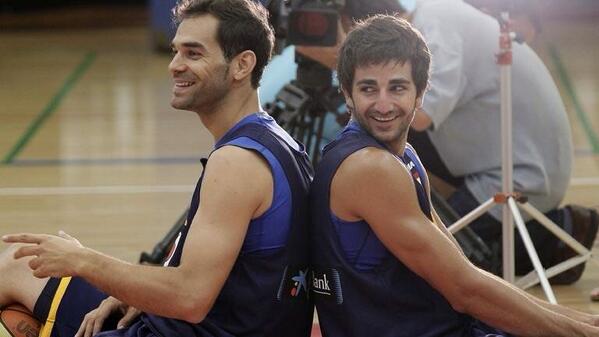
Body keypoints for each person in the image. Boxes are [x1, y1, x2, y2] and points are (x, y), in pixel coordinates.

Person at [0, 0, 314, 336]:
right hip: (209, 323)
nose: (175, 65)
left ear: (242, 65)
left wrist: (83, 260)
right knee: (20, 260)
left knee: (19, 269)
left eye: (193, 54)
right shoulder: (278, 140)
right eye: (176, 52)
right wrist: (130, 292)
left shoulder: (236, 163)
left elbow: (190, 297)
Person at [310, 14, 599, 337]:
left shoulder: (403, 157)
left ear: (420, 93)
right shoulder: (370, 167)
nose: (383, 104)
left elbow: (465, 272)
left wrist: (581, 321)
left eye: (397, 88)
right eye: (368, 89)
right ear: (347, 94)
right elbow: (465, 291)